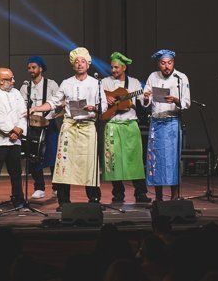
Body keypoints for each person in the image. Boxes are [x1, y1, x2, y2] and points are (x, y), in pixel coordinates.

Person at [30, 47, 101, 209]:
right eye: (76, 62)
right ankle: (63, 201)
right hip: (69, 126)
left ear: (88, 64)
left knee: (89, 162)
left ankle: (94, 200)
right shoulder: (66, 83)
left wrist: (94, 108)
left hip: (88, 126)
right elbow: (54, 101)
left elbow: (103, 105)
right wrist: (36, 108)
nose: (79, 64)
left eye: (83, 61)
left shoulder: (95, 83)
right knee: (64, 163)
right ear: (73, 65)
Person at [101, 51, 150, 204]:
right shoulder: (104, 82)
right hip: (113, 125)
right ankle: (118, 194)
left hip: (130, 125)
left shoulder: (134, 83)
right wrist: (105, 97)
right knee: (114, 161)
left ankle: (140, 193)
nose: (113, 70)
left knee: (134, 159)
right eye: (112, 67)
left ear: (124, 68)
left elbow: (143, 100)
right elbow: (98, 97)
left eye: (116, 67)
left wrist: (146, 97)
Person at [143, 49, 190, 201]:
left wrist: (176, 100)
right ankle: (158, 197)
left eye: (169, 63)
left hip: (172, 122)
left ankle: (174, 197)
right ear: (159, 64)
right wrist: (146, 97)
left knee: (171, 160)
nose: (166, 66)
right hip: (156, 122)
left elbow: (187, 102)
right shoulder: (153, 76)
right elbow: (146, 100)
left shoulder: (181, 78)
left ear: (173, 63)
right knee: (155, 159)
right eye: (163, 63)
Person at [0, 67, 27, 213]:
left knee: (16, 172)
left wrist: (19, 129)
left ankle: (18, 200)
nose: (14, 81)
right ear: (1, 81)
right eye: (10, 79)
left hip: (15, 140)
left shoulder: (16, 93)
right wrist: (11, 130)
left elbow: (23, 113)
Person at [20, 55, 60, 200]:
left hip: (49, 125)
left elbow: (59, 103)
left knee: (53, 155)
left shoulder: (52, 84)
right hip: (33, 126)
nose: (31, 70)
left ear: (41, 68)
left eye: (34, 67)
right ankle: (39, 187)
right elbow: (22, 105)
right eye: (29, 68)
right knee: (34, 156)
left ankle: (57, 187)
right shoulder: (25, 86)